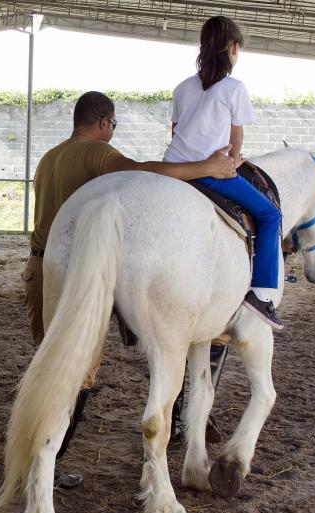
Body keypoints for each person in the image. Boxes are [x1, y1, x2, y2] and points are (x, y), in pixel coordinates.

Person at [23, 90, 236, 488]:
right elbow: (143, 172)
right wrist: (207, 166)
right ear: (103, 122)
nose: (112, 132)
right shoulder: (97, 155)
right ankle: (46, 463)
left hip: (40, 268)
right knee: (76, 375)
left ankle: (41, 456)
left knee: (49, 363)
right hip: (78, 273)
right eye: (114, 125)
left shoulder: (49, 157)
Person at [163, 15, 283, 330]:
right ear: (231, 47)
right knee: (270, 215)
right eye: (237, 48)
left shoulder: (182, 88)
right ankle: (261, 294)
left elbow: (176, 131)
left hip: (172, 168)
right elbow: (235, 139)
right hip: (209, 172)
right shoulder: (234, 88)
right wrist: (233, 156)